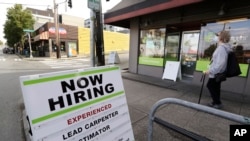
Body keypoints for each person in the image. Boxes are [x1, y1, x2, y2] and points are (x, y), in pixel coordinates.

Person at [205, 30, 232, 109]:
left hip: (216, 73)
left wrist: (210, 71)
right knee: (216, 87)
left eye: (218, 35)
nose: (216, 36)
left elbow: (220, 64)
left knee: (210, 85)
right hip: (217, 73)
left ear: (221, 37)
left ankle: (217, 102)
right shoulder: (221, 48)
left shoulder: (221, 49)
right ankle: (215, 102)